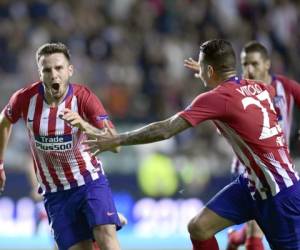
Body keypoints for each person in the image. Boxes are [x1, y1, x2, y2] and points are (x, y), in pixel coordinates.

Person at [76, 39, 300, 250]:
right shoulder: (260, 88)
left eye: (203, 68)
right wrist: (213, 76)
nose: (201, 72)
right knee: (199, 228)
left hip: (279, 194)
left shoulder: (218, 98)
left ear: (210, 71)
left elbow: (165, 129)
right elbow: (241, 90)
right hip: (251, 185)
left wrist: (118, 139)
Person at [0, 42, 123, 250]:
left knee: (106, 238)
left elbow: (116, 143)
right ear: (40, 74)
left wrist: (84, 124)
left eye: (59, 68)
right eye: (47, 70)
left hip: (89, 182)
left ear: (70, 70)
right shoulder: (24, 99)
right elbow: (4, 121)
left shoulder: (84, 98)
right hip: (55, 193)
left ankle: (102, 221)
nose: (54, 75)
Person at [184, 40, 300, 250]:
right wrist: (209, 75)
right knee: (242, 229)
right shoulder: (238, 90)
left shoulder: (283, 88)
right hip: (246, 171)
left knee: (257, 230)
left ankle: (238, 238)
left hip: (279, 176)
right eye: (245, 64)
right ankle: (243, 237)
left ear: (267, 64)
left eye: (254, 64)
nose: (249, 70)